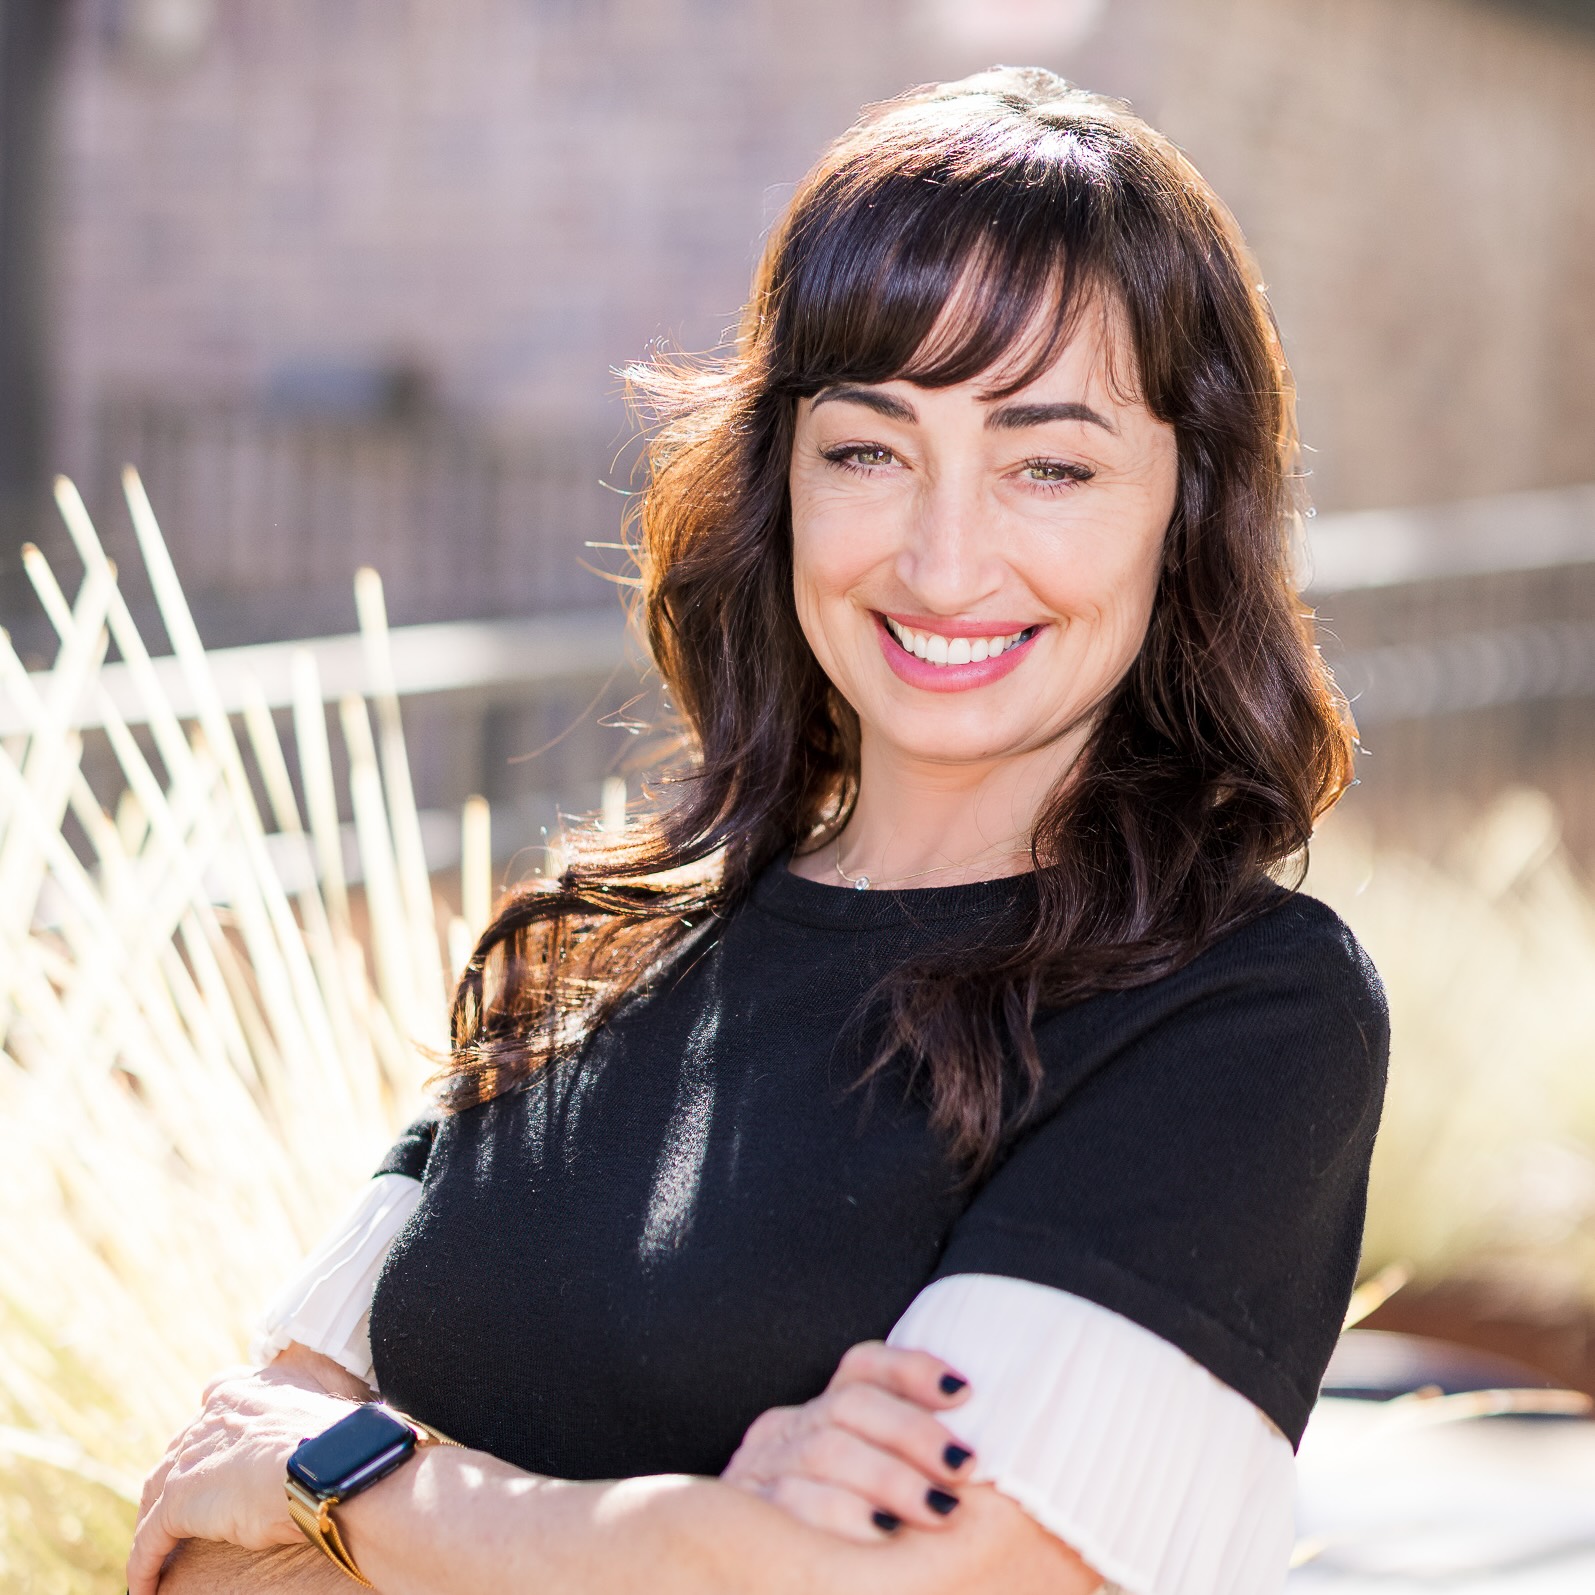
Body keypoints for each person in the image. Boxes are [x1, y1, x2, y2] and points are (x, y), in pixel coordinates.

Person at [129, 66, 1387, 1595]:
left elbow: (895, 1585)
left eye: (1049, 464)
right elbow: (200, 1537)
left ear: (1185, 515)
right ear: (779, 477)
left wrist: (363, 1487)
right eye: (869, 448)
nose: (942, 557)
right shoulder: (594, 946)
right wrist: (707, 1526)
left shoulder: (1239, 1010)